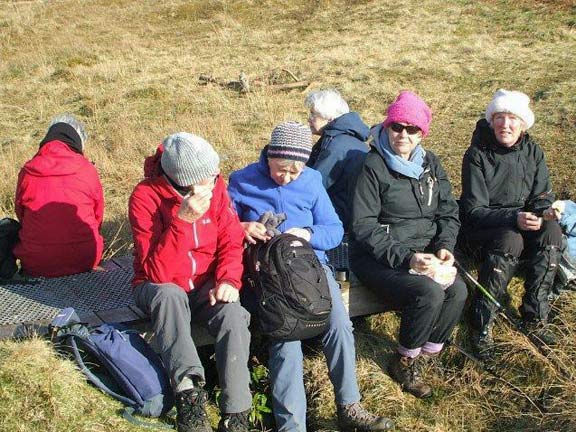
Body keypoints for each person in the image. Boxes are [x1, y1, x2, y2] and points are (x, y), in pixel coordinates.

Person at [228, 121, 393, 432]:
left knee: (340, 325)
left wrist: (307, 233)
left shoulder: (313, 180)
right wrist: (243, 229)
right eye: (281, 169)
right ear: (269, 157)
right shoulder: (241, 181)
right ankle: (292, 426)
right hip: (268, 276)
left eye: (295, 171)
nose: (287, 177)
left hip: (311, 269)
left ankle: (349, 406)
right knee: (286, 340)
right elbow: (219, 227)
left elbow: (334, 230)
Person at [129, 132, 252, 432]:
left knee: (233, 313)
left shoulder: (217, 189)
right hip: (156, 287)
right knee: (169, 295)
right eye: (209, 177)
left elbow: (231, 241)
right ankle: (190, 399)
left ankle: (236, 414)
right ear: (188, 182)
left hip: (204, 287)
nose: (216, 180)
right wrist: (183, 221)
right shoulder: (145, 197)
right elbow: (156, 272)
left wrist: (228, 280)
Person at [350, 91, 467, 398]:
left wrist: (444, 247)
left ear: (421, 133)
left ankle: (425, 355)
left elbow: (448, 211)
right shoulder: (373, 166)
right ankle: (404, 361)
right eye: (396, 126)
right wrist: (408, 259)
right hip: (379, 258)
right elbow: (363, 226)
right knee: (427, 292)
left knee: (458, 291)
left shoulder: (432, 164)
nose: (402, 134)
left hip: (425, 254)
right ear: (386, 127)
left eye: (411, 129)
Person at [460, 89, 563, 358]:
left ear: (522, 124)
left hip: (521, 222)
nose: (505, 125)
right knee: (511, 238)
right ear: (491, 120)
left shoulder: (533, 152)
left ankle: (535, 315)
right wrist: (513, 218)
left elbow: (541, 196)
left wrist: (546, 211)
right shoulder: (476, 155)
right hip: (483, 231)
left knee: (551, 231)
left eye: (512, 119)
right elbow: (473, 210)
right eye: (500, 118)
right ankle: (481, 322)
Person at [13, 114, 104, 277]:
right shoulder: (87, 169)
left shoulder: (28, 171)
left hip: (37, 263)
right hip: (85, 259)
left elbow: (21, 214)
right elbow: (98, 217)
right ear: (77, 141)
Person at [305, 89, 370, 230]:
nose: (309, 119)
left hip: (340, 217)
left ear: (329, 118)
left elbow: (314, 185)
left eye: (313, 114)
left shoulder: (337, 145)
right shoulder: (345, 139)